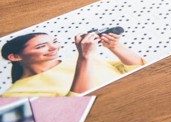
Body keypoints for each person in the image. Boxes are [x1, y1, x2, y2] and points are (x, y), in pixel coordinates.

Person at [2, 31, 146, 97]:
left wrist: (115, 46)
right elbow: (76, 107)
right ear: (14, 57)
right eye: (41, 46)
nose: (54, 48)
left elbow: (140, 70)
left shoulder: (74, 61)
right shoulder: (15, 94)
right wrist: (85, 57)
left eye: (55, 42)